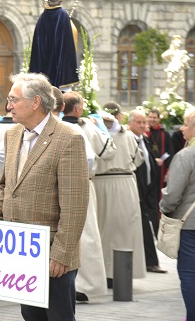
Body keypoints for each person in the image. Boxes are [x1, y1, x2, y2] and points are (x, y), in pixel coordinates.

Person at [0, 73, 89, 321]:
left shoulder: (69, 138)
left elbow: (75, 205)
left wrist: (61, 255)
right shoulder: (12, 135)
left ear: (35, 102)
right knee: (31, 316)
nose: (8, 105)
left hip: (53, 256)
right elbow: (5, 187)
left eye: (14, 99)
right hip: (21, 251)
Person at [160, 106, 195, 320]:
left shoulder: (186, 156)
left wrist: (164, 208)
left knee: (191, 277)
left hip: (191, 225)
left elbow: (173, 194)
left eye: (185, 125)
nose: (182, 129)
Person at [61, 92, 112, 302]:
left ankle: (68, 283)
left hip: (61, 185)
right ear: (78, 108)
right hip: (83, 183)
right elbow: (109, 152)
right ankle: (87, 284)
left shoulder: (52, 126)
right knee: (87, 233)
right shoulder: (86, 127)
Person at [93, 103, 147, 283]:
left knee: (103, 230)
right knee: (124, 230)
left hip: (101, 182)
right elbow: (138, 159)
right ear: (119, 116)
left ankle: (104, 272)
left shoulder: (95, 133)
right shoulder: (128, 135)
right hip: (124, 184)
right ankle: (121, 274)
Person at [126, 109, 166, 274]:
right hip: (137, 191)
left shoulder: (145, 140)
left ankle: (149, 261)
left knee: (148, 225)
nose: (143, 125)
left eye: (145, 122)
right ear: (130, 124)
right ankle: (150, 262)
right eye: (139, 122)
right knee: (144, 227)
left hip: (149, 190)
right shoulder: (129, 140)